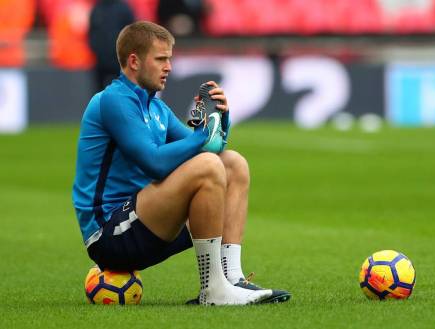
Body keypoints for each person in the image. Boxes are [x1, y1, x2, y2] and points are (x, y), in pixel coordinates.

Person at [72, 21, 291, 305]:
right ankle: (214, 289)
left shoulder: (156, 107)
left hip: (144, 222)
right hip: (111, 236)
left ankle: (232, 278)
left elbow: (206, 147)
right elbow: (155, 164)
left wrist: (220, 121)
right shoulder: (114, 100)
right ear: (134, 61)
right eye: (161, 58)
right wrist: (201, 135)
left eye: (170, 59)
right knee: (209, 167)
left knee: (233, 164)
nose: (169, 67)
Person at [88, 0, 135, 91]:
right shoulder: (97, 9)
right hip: (100, 62)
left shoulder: (124, 8)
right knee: (99, 94)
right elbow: (92, 33)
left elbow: (132, 32)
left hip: (120, 61)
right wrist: (96, 50)